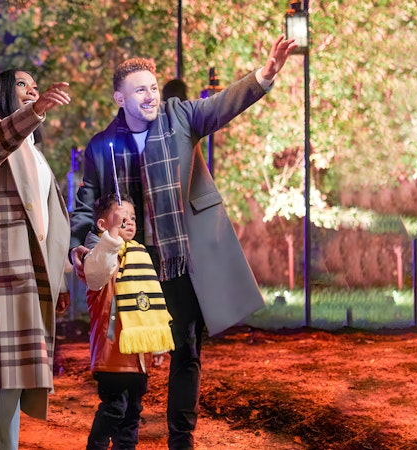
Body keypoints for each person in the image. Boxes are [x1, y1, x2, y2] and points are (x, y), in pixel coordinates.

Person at [69, 35, 298, 449]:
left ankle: (181, 439)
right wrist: (79, 245)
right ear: (120, 99)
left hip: (178, 258)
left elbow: (223, 105)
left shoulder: (180, 117)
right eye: (140, 90)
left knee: (187, 348)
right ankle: (124, 437)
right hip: (133, 265)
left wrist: (264, 75)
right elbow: (86, 202)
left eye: (153, 87)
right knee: (131, 356)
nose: (151, 96)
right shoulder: (102, 146)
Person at [0, 69, 72, 450]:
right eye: (23, 84)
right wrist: (34, 111)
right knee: (4, 371)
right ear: (2, 91)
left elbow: (46, 224)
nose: (33, 89)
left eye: (35, 86)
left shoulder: (33, 152)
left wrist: (59, 279)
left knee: (17, 373)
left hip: (30, 273)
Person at [82, 192, 174, 450]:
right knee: (114, 409)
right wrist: (112, 237)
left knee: (132, 414)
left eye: (132, 217)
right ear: (103, 225)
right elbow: (96, 273)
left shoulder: (140, 256)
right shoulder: (101, 256)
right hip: (112, 355)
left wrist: (157, 345)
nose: (130, 222)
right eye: (121, 218)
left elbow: (149, 305)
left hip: (138, 358)